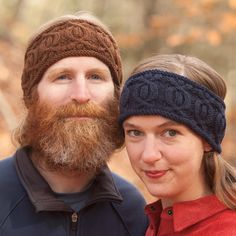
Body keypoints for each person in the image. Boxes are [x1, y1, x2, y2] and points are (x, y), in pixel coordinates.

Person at [0, 12, 148, 236]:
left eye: (95, 77)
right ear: (32, 96)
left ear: (116, 96)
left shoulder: (132, 211)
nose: (81, 95)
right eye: (62, 76)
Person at [119, 54, 236, 235]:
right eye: (135, 132)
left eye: (170, 133)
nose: (149, 155)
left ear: (207, 140)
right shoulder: (153, 225)